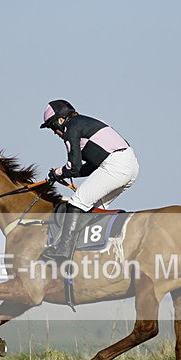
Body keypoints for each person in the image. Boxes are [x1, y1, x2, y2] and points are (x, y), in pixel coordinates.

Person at [39, 99, 139, 264]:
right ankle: (91, 255)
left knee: (76, 202)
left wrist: (57, 173)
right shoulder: (85, 122)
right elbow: (89, 167)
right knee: (91, 209)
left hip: (115, 165)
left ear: (61, 120)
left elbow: (74, 166)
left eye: (52, 127)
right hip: (130, 165)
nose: (55, 133)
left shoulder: (71, 129)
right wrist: (62, 174)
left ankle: (63, 251)